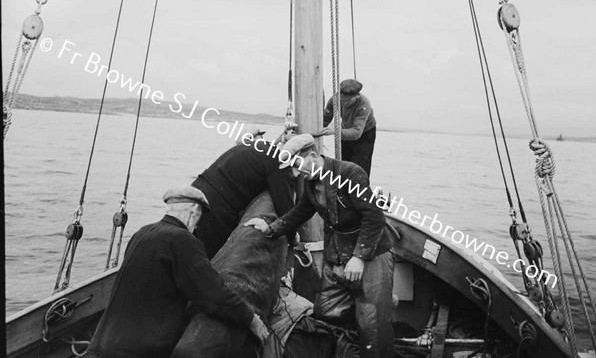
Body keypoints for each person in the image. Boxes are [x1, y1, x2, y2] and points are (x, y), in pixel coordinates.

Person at [245, 134, 394, 358]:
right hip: (337, 256)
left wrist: (360, 257)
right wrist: (271, 228)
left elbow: (374, 218)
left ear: (313, 156)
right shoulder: (310, 182)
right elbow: (300, 212)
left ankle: (379, 313)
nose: (296, 173)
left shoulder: (350, 173)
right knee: (326, 313)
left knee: (373, 325)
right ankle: (349, 348)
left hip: (371, 255)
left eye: (297, 165)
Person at [86, 186, 269, 358]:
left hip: (102, 342)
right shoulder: (182, 240)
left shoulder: (141, 233)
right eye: (199, 218)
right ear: (194, 212)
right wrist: (250, 318)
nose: (197, 226)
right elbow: (213, 294)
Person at [191, 131, 295, 259]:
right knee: (214, 255)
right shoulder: (278, 160)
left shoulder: (256, 147)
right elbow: (284, 204)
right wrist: (293, 236)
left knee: (189, 248)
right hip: (216, 204)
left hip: (196, 191)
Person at [321, 78, 377, 176]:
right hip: (345, 131)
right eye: (343, 100)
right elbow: (326, 118)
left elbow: (356, 132)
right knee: (344, 166)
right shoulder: (335, 100)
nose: (345, 103)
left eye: (349, 100)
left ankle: (360, 189)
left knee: (359, 168)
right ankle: (343, 190)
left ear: (357, 95)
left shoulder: (364, 104)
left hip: (364, 134)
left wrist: (335, 132)